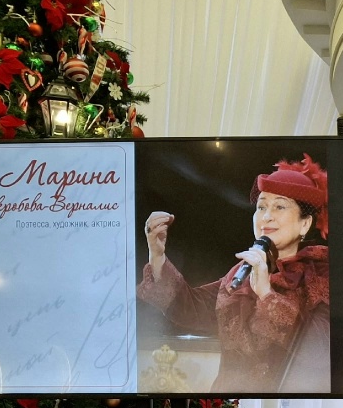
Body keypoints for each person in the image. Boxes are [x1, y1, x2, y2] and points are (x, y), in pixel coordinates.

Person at [139, 154, 331, 393]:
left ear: (305, 223)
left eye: (279, 206)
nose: (266, 216)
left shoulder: (321, 273)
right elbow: (189, 308)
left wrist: (266, 294)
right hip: (228, 404)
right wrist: (157, 255)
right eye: (261, 207)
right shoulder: (240, 272)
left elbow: (322, 350)